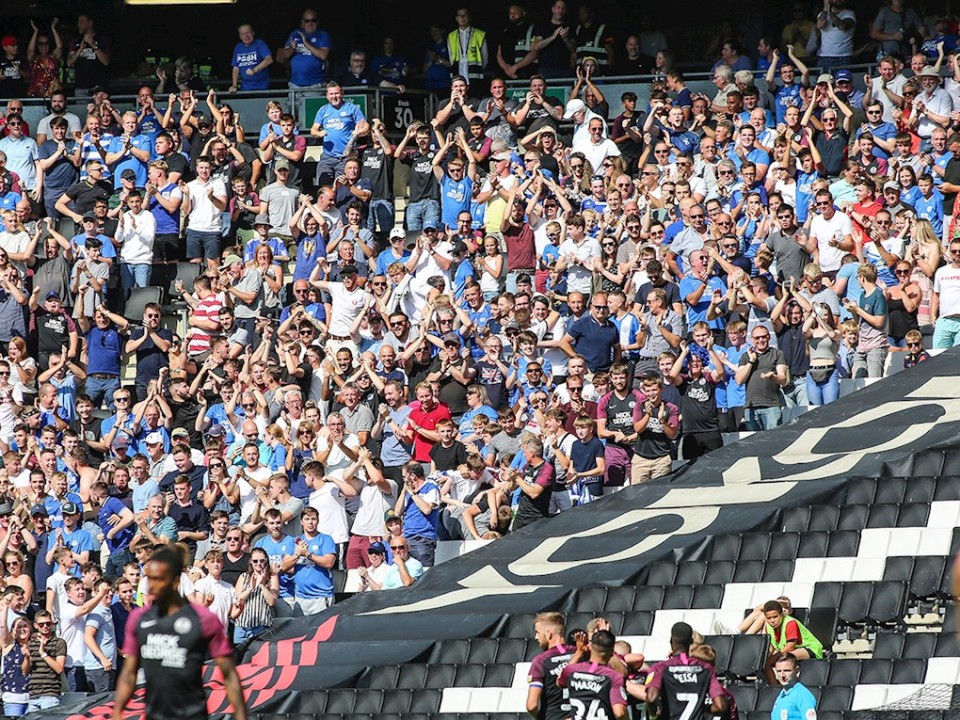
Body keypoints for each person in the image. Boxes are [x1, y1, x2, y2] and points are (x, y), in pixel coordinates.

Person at [112, 546, 248, 720]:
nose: (151, 585)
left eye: (159, 579)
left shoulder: (203, 619)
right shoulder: (138, 618)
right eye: (150, 578)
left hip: (192, 714)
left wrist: (241, 714)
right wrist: (117, 712)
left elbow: (229, 673)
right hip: (155, 715)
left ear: (176, 581)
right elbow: (129, 672)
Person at [647, 621, 727, 720]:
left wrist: (653, 716)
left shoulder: (660, 668)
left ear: (671, 641)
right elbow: (720, 706)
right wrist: (701, 708)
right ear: (691, 641)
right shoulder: (706, 669)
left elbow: (651, 698)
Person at [557, 628, 628, 720]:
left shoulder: (571, 670)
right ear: (611, 653)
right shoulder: (613, 677)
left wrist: (579, 652)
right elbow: (620, 713)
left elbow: (559, 681)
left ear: (590, 647)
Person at [526, 611, 574, 720]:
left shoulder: (540, 661)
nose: (536, 637)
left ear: (548, 634)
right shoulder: (581, 654)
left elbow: (531, 705)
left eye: (537, 632)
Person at [770, 653, 818, 719]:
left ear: (797, 671)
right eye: (779, 671)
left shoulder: (803, 695)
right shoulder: (781, 695)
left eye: (787, 671)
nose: (782, 675)